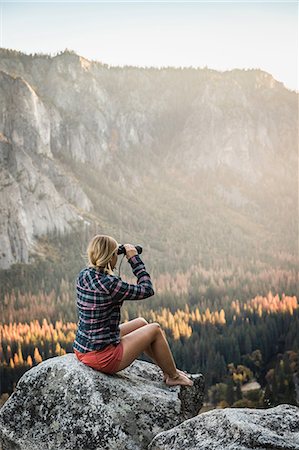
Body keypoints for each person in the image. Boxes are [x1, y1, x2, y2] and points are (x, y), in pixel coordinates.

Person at [73, 234, 193, 387]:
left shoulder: (84, 275)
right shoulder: (111, 284)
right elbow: (147, 290)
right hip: (103, 357)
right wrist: (133, 259)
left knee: (142, 323)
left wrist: (116, 251)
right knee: (154, 329)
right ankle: (173, 376)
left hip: (82, 349)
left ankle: (166, 369)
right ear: (111, 258)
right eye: (115, 254)